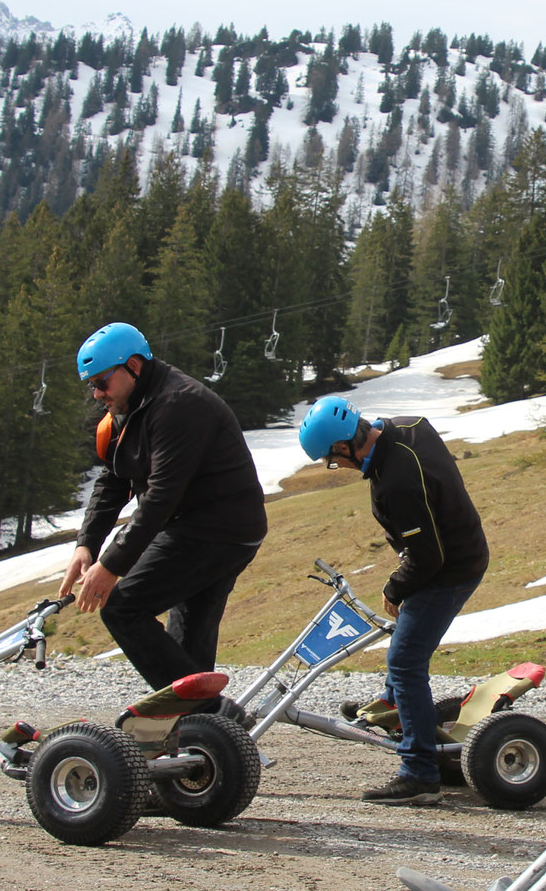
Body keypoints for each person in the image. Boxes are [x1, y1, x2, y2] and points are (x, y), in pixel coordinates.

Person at [297, 394, 489, 805]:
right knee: (404, 648)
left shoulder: (395, 479)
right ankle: (392, 704)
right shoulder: (407, 423)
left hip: (450, 568)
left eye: (334, 459)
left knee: (405, 660)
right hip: (454, 549)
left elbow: (428, 557)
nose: (339, 468)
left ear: (346, 446)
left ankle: (419, 773)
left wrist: (395, 587)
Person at [60, 322, 267, 703]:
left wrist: (111, 567)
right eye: (90, 385)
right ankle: (203, 739)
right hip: (203, 527)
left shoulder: (178, 404)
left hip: (216, 530)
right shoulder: (130, 403)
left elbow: (160, 498)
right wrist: (86, 544)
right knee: (186, 649)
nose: (96, 394)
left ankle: (213, 717)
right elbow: (115, 478)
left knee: (122, 609)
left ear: (134, 366)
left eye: (102, 382)